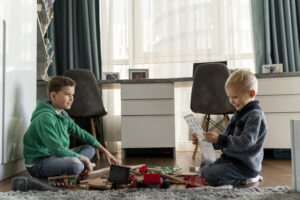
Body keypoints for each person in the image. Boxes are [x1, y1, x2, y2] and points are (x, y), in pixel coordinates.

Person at [23, 76, 119, 178]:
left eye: (72, 95)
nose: (72, 99)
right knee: (75, 165)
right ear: (53, 96)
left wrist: (105, 151)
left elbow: (81, 133)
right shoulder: (45, 117)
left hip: (56, 156)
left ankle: (75, 165)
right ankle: (79, 165)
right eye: (67, 94)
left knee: (90, 148)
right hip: (38, 163)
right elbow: (57, 150)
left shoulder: (62, 114)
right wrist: (84, 159)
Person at [193, 69, 268, 186]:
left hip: (244, 166)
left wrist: (220, 139)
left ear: (251, 94)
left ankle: (249, 178)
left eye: (235, 97)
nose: (231, 101)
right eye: (229, 97)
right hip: (231, 160)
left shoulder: (255, 115)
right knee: (204, 167)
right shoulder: (239, 113)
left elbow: (246, 142)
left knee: (209, 174)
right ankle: (210, 170)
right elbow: (228, 141)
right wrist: (206, 141)